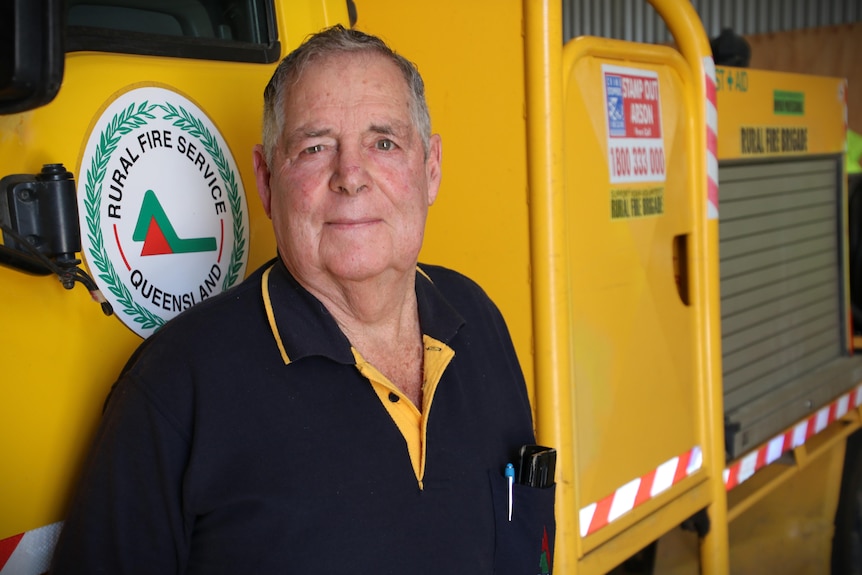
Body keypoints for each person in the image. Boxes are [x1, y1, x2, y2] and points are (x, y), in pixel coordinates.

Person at [50, 25, 554, 574]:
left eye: (383, 142)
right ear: (266, 181)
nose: (351, 177)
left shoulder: (476, 317)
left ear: (430, 169)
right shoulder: (178, 388)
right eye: (315, 148)